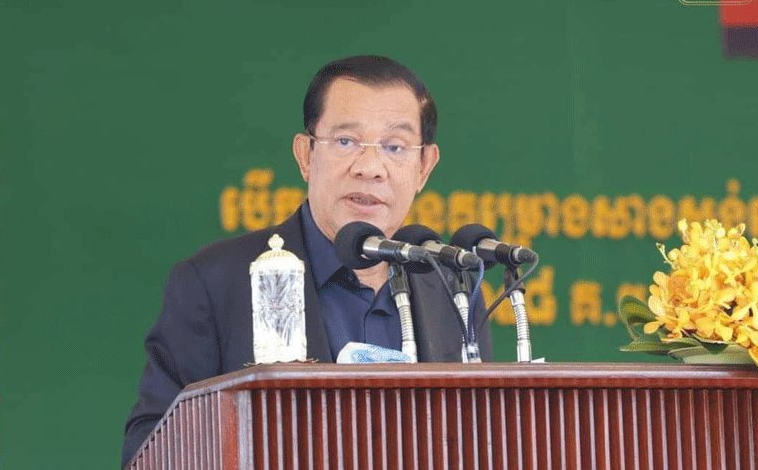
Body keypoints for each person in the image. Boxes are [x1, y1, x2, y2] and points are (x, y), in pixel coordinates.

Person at [120, 55, 493, 468]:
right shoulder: (215, 283)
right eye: (346, 142)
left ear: (423, 167)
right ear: (305, 155)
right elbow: (150, 452)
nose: (370, 168)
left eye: (395, 147)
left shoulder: (453, 289)